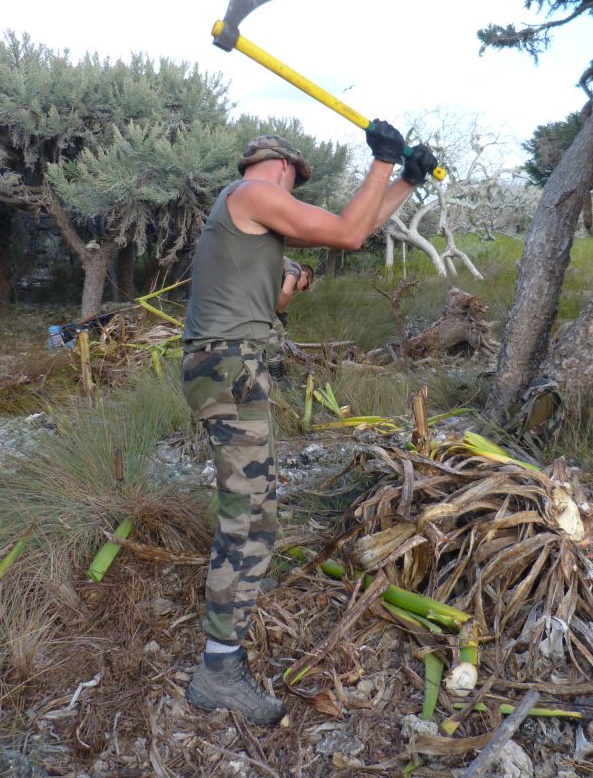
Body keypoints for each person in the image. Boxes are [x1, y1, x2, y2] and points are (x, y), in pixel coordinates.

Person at [180, 124, 438, 724]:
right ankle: (218, 670)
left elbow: (358, 227)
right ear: (284, 168)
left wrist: (405, 180)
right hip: (227, 366)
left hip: (234, 366)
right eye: (296, 182)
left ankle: (234, 616)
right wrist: (382, 160)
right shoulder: (251, 193)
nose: (294, 192)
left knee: (259, 509)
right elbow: (348, 234)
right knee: (247, 517)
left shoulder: (252, 213)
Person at [267, 257, 314, 386]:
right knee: (276, 329)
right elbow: (286, 293)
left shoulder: (282, 272)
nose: (302, 290)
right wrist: (279, 315)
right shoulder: (295, 268)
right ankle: (276, 377)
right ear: (304, 274)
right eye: (305, 286)